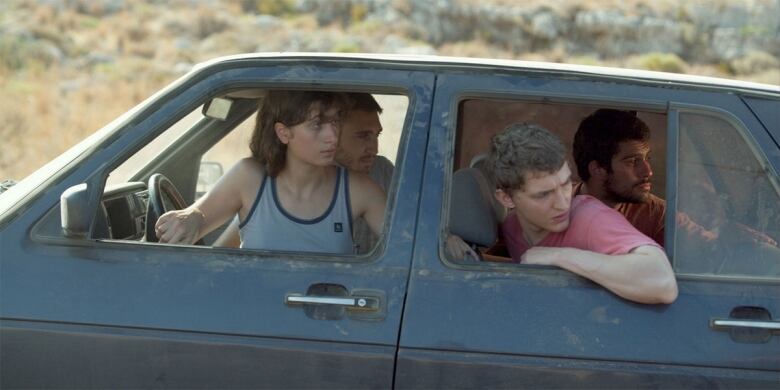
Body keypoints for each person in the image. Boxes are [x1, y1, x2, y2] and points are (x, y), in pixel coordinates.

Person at [154, 90, 386, 254]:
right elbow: (198, 215)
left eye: (335, 122)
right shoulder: (249, 178)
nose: (332, 136)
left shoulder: (359, 189)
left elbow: (412, 251)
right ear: (284, 133)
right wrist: (186, 220)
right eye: (317, 124)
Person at [487, 122, 678, 304]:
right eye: (543, 195)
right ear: (506, 198)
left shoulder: (589, 216)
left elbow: (662, 282)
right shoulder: (512, 226)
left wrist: (557, 257)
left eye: (565, 185)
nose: (562, 204)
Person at [572, 108, 776, 247]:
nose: (648, 171)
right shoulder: (553, 206)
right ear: (598, 169)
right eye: (633, 161)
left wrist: (728, 239)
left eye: (646, 159)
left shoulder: (656, 213)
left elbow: (701, 244)